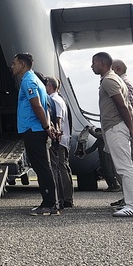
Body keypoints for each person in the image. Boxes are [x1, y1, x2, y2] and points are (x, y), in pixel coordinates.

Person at [90, 52, 133, 217]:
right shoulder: (115, 79)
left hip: (116, 127)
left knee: (125, 167)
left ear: (103, 63)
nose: (92, 66)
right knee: (124, 167)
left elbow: (122, 105)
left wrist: (131, 127)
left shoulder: (109, 80)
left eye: (94, 63)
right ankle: (131, 203)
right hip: (117, 126)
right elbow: (129, 104)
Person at [9, 53, 57, 216]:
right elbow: (46, 106)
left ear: (22, 64)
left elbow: (37, 106)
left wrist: (45, 126)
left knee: (41, 167)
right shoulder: (37, 81)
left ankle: (49, 204)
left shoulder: (28, 81)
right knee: (43, 166)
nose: (12, 66)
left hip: (33, 129)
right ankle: (50, 202)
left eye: (14, 63)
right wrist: (48, 125)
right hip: (37, 129)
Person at [111, 59, 133, 211]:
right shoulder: (127, 82)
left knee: (130, 165)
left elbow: (128, 106)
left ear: (117, 69)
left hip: (125, 129)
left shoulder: (122, 84)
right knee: (129, 164)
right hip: (128, 128)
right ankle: (130, 197)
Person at [44, 75, 72, 210]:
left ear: (49, 86)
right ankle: (66, 198)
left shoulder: (54, 99)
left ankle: (63, 198)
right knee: (64, 167)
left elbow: (58, 118)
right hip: (65, 139)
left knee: (59, 168)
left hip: (59, 140)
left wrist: (57, 133)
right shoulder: (61, 99)